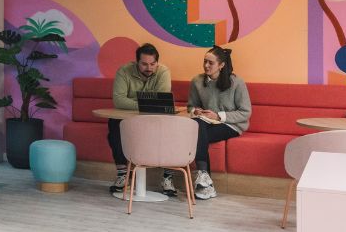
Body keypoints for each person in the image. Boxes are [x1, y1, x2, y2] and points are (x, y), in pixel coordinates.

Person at [186, 45, 252, 200]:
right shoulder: (197, 81)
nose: (206, 66)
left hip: (231, 125)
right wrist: (195, 111)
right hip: (205, 122)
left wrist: (219, 117)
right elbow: (191, 105)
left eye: (211, 63)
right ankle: (205, 180)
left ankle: (204, 179)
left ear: (221, 65)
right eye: (204, 62)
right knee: (198, 124)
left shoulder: (237, 83)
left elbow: (245, 112)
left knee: (197, 132)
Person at [108, 43, 174, 194]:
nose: (149, 68)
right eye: (144, 64)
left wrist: (136, 103)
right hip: (130, 120)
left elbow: (160, 102)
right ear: (136, 62)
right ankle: (123, 174)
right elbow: (118, 101)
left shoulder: (163, 72)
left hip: (156, 120)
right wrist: (147, 104)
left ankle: (167, 177)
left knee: (173, 127)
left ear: (157, 63)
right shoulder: (124, 71)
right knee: (114, 124)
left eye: (152, 64)